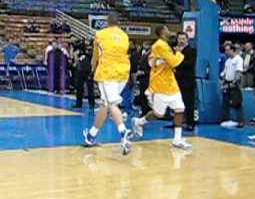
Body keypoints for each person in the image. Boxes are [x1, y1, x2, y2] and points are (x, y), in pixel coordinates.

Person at [131, 25, 192, 150]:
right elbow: (175, 62)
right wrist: (180, 53)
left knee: (180, 109)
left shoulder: (164, 45)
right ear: (162, 33)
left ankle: (177, 139)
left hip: (171, 84)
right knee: (158, 114)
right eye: (167, 30)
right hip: (160, 85)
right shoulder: (160, 45)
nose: (169, 31)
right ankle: (139, 122)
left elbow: (161, 61)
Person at [83, 12, 132, 156]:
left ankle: (123, 132)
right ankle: (91, 136)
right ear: (118, 22)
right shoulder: (124, 36)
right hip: (123, 73)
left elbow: (95, 57)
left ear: (107, 22)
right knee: (104, 104)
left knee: (111, 104)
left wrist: (91, 71)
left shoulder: (100, 34)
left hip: (107, 73)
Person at [175, 32, 197, 131]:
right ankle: (177, 123)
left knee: (188, 103)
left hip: (187, 81)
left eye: (183, 38)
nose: (181, 41)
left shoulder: (191, 50)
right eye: (179, 39)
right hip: (177, 80)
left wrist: (179, 57)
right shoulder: (175, 51)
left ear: (187, 39)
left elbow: (189, 64)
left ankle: (190, 123)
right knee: (176, 103)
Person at [221, 45, 245, 128]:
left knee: (237, 102)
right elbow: (224, 72)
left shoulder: (238, 59)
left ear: (232, 50)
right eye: (225, 50)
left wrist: (234, 82)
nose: (226, 52)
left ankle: (240, 121)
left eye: (228, 50)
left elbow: (239, 72)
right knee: (225, 102)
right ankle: (225, 119)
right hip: (227, 82)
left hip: (234, 83)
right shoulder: (227, 61)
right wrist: (223, 82)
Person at [73, 39, 95, 109]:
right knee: (79, 88)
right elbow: (77, 61)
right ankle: (78, 103)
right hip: (80, 71)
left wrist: (92, 71)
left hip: (88, 71)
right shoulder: (79, 51)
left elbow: (93, 61)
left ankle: (91, 104)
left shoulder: (92, 52)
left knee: (90, 89)